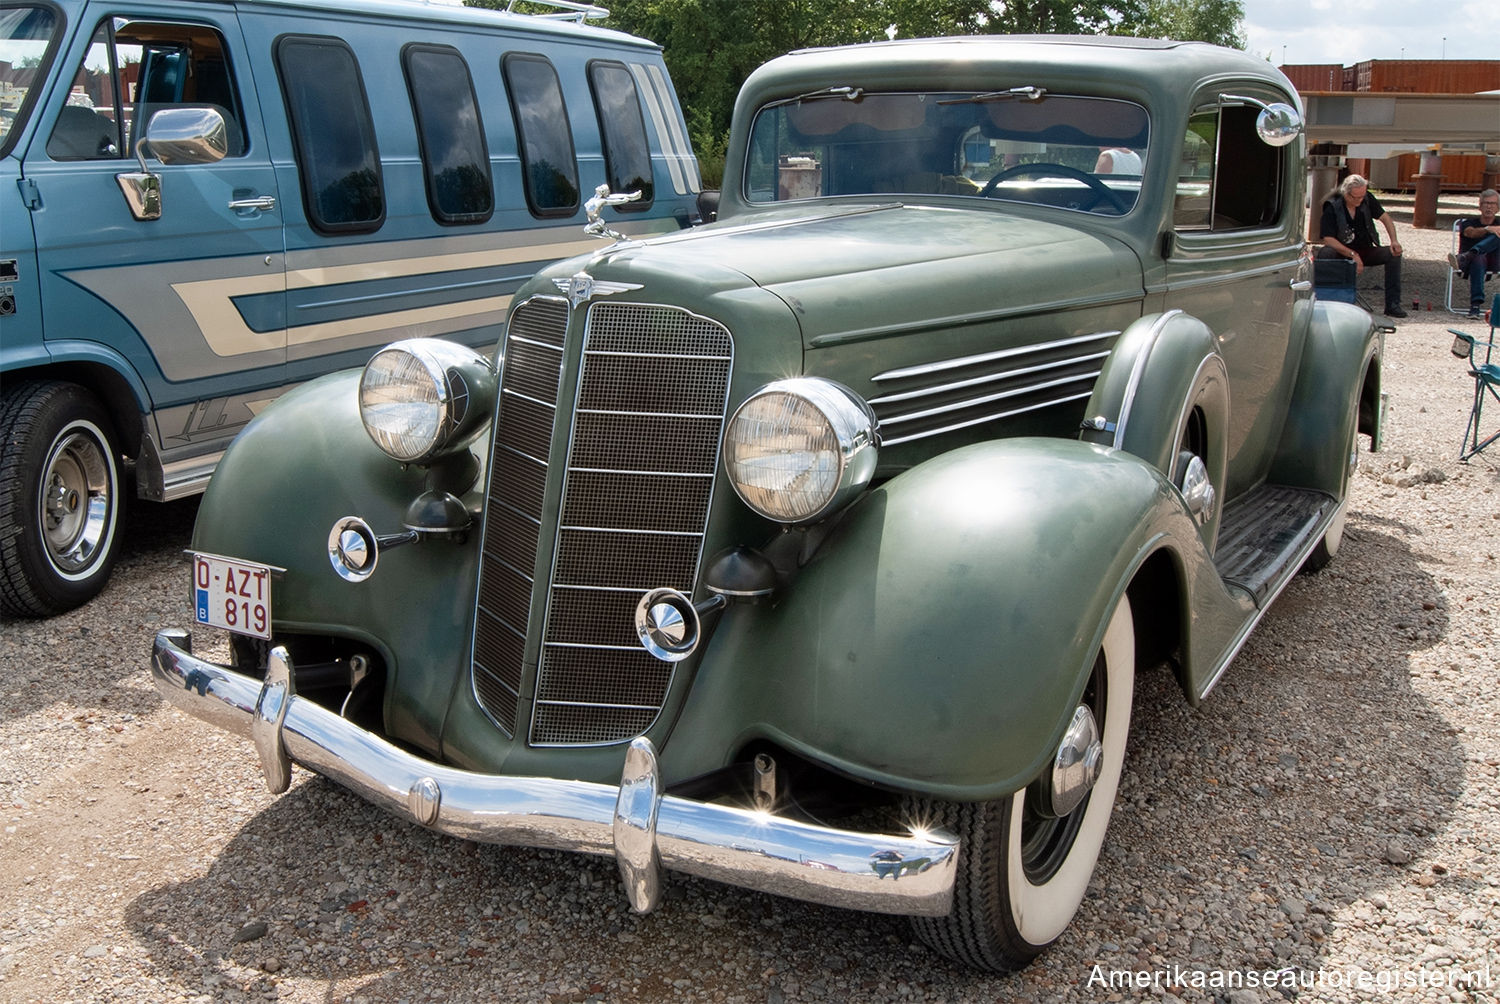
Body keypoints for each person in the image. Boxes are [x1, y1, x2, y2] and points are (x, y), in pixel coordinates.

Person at [1319, 174, 1406, 318]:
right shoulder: (1332, 205)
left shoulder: (1366, 199)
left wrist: (1394, 240)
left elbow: (1385, 218)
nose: (1359, 200)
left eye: (1362, 196)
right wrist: (1352, 255)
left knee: (1393, 254)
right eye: (1355, 197)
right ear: (1346, 194)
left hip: (1365, 248)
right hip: (1342, 250)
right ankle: (1329, 301)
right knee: (1325, 253)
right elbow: (1328, 239)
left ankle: (1393, 304)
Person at [1448, 189, 1500, 319]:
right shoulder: (1468, 223)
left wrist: (1494, 231)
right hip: (1472, 264)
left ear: (1498, 208)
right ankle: (1475, 305)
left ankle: (1469, 255)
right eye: (1486, 203)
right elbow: (1470, 233)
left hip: (1494, 262)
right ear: (1480, 206)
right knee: (1479, 258)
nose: (1489, 206)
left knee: (1498, 235)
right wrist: (1488, 229)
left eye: (1492, 204)